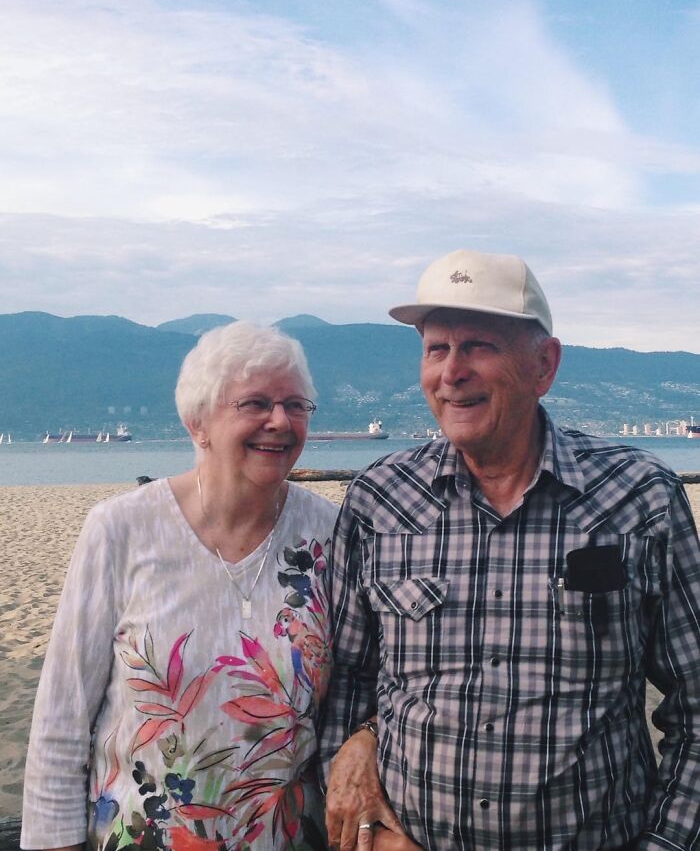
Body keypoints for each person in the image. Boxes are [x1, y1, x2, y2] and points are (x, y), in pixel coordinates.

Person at [320, 249, 700, 850]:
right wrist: (364, 824)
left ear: (543, 365)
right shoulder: (380, 499)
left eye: (478, 346)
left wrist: (667, 844)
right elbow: (346, 683)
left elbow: (695, 705)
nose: (452, 372)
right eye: (437, 349)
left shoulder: (639, 496)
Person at [22, 321, 339, 850]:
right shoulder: (121, 529)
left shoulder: (330, 534)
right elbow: (62, 717)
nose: (280, 421)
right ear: (198, 423)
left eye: (296, 405)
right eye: (256, 403)